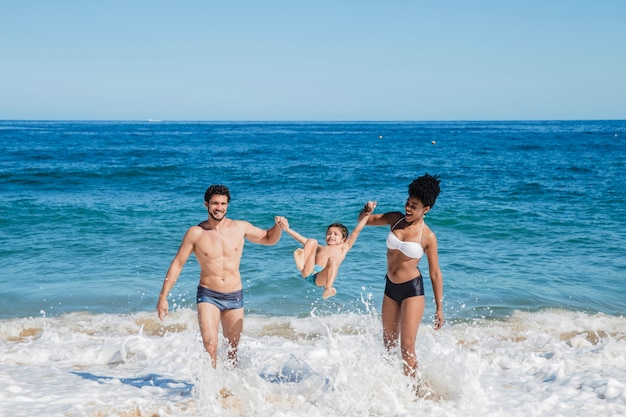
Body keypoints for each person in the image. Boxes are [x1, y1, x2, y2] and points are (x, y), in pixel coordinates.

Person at [156, 185, 283, 367]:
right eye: (215, 203)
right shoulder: (196, 233)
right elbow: (177, 264)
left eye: (223, 203)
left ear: (227, 205)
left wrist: (278, 226)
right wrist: (163, 297)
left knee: (232, 351)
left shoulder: (240, 227)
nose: (219, 207)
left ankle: (227, 392)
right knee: (210, 347)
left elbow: (269, 238)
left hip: (234, 295)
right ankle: (210, 392)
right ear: (206, 204)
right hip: (209, 295)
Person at [358, 174, 444, 378]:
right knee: (388, 344)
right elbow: (364, 222)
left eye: (414, 206)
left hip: (412, 291)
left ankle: (413, 392)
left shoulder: (428, 236)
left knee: (407, 346)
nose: (408, 208)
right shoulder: (395, 219)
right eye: (408, 203)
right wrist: (366, 210)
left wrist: (439, 308)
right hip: (390, 288)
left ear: (426, 209)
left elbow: (435, 273)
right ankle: (393, 388)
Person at [275, 201, 375, 299]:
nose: (331, 236)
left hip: (320, 277)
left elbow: (357, 230)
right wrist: (287, 229)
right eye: (328, 233)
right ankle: (301, 262)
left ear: (343, 239)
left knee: (333, 260)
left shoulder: (344, 247)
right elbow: (301, 238)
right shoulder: (321, 248)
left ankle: (328, 288)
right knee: (311, 241)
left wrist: (367, 214)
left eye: (335, 234)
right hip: (309, 270)